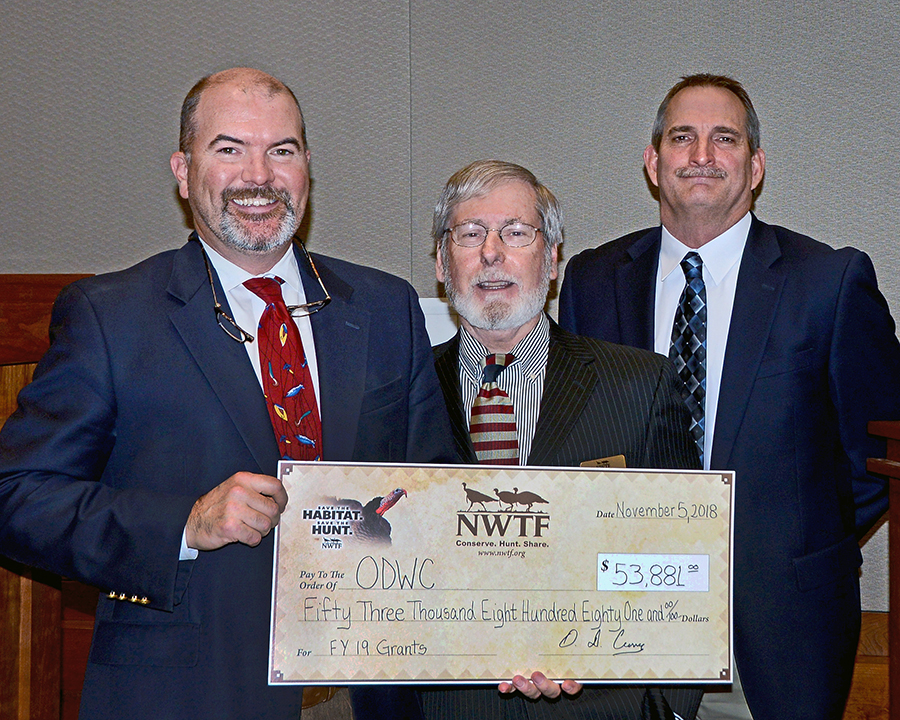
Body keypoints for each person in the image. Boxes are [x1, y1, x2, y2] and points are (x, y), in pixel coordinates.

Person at [0, 67, 453, 720]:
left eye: (283, 151)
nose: (259, 176)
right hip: (188, 695)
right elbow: (18, 497)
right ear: (184, 173)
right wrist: (185, 524)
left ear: (306, 171)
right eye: (229, 149)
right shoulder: (111, 315)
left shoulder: (385, 307)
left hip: (364, 696)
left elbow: (430, 492)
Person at [558, 74, 900, 720]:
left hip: (776, 638)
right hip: (619, 638)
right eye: (682, 138)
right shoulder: (593, 280)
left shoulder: (828, 282)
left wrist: (794, 539)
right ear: (653, 163)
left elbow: (878, 452)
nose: (702, 155)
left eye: (725, 139)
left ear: (756, 165)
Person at [418, 159, 704, 720]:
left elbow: (687, 560)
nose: (492, 252)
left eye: (516, 233)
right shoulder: (398, 394)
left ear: (551, 259)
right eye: (470, 234)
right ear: (441, 262)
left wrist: (663, 704)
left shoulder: (642, 387)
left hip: (600, 705)